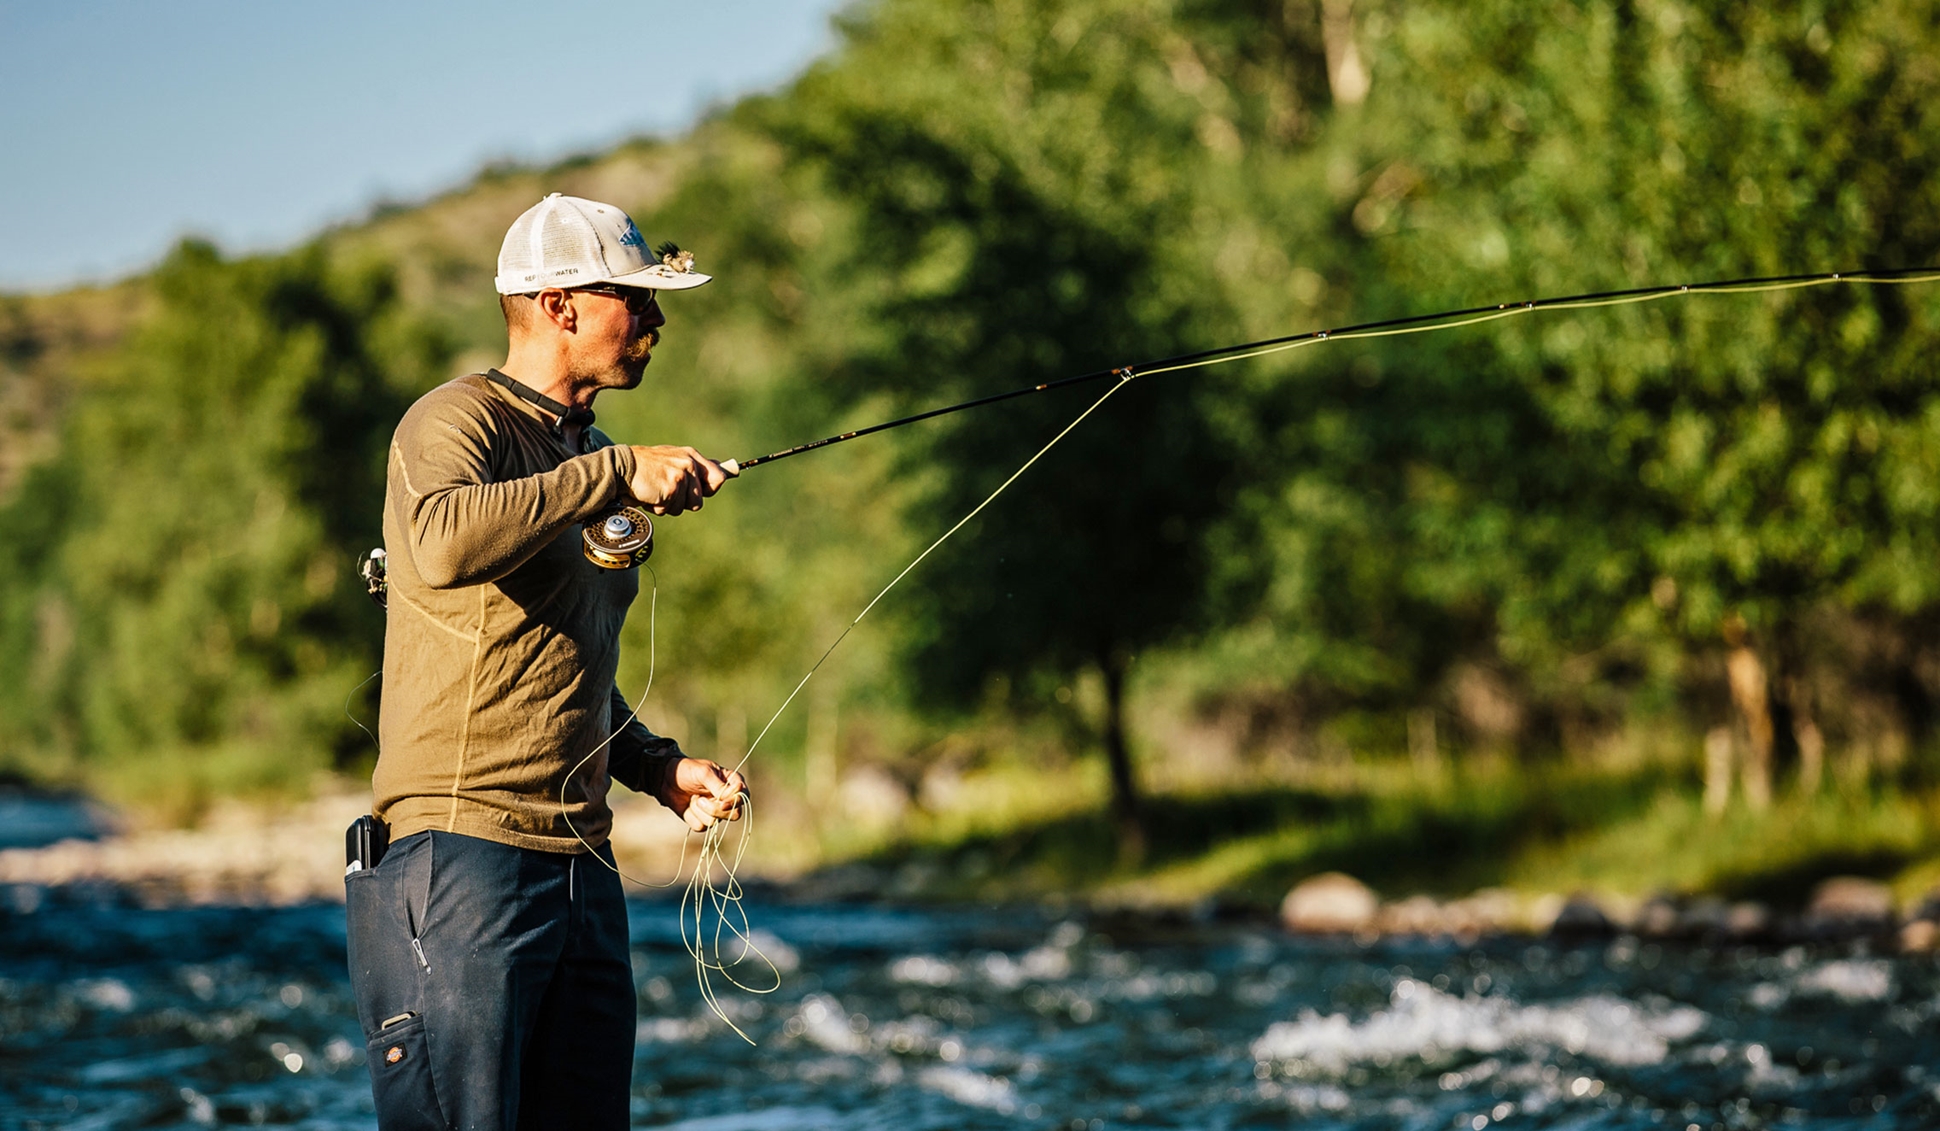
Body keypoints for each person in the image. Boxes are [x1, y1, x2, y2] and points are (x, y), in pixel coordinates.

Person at [346, 192, 746, 1131]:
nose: (654, 319)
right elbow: (438, 543)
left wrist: (657, 766)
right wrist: (612, 475)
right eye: (634, 299)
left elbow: (556, 663)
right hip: (457, 864)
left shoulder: (591, 453)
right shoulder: (453, 422)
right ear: (560, 303)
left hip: (580, 869)